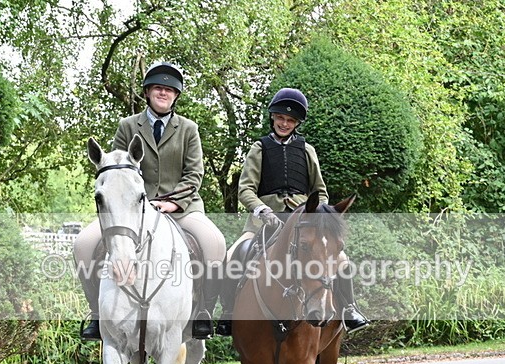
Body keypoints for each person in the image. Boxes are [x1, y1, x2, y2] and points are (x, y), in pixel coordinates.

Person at [73, 61, 226, 340]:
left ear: (176, 95)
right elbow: (116, 168)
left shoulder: (189, 129)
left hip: (181, 208)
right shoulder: (128, 125)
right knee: (83, 244)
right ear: (147, 92)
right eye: (158, 88)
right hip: (133, 210)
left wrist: (174, 202)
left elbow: (195, 173)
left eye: (169, 90)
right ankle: (97, 314)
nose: (163, 93)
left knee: (215, 243)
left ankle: (203, 311)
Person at [215, 88, 369, 336]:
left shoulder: (307, 150)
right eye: (280, 118)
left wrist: (318, 215)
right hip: (263, 223)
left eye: (290, 120)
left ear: (296, 123)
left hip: (304, 222)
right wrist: (262, 210)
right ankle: (229, 314)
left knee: (341, 259)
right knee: (233, 254)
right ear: (273, 118)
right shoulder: (259, 149)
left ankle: (349, 309)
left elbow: (320, 190)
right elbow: (245, 189)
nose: (284, 123)